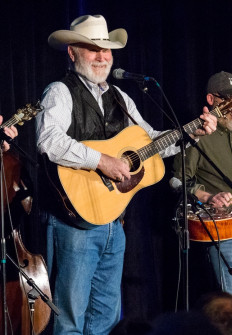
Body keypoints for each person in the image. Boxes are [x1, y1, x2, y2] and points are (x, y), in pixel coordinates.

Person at [35, 14, 217, 335]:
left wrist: (195, 133)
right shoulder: (60, 92)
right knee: (70, 321)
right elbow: (48, 140)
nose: (102, 56)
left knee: (105, 319)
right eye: (92, 49)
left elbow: (152, 144)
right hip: (72, 221)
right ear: (72, 52)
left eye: (106, 49)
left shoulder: (122, 97)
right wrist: (101, 161)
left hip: (113, 222)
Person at [171, 71, 232, 301]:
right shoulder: (198, 132)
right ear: (210, 100)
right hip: (225, 230)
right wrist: (208, 197)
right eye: (226, 99)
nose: (231, 105)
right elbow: (177, 180)